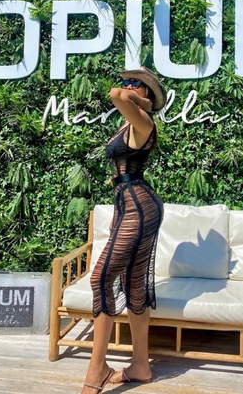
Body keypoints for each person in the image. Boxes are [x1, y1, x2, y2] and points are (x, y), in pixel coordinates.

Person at [81, 67, 167, 394]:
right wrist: (141, 99)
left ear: (148, 95)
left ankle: (98, 368)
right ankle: (141, 365)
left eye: (137, 84)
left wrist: (143, 103)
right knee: (133, 284)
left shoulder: (144, 122)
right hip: (129, 205)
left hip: (139, 207)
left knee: (100, 278)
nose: (128, 86)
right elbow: (119, 96)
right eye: (128, 81)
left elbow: (115, 95)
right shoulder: (130, 122)